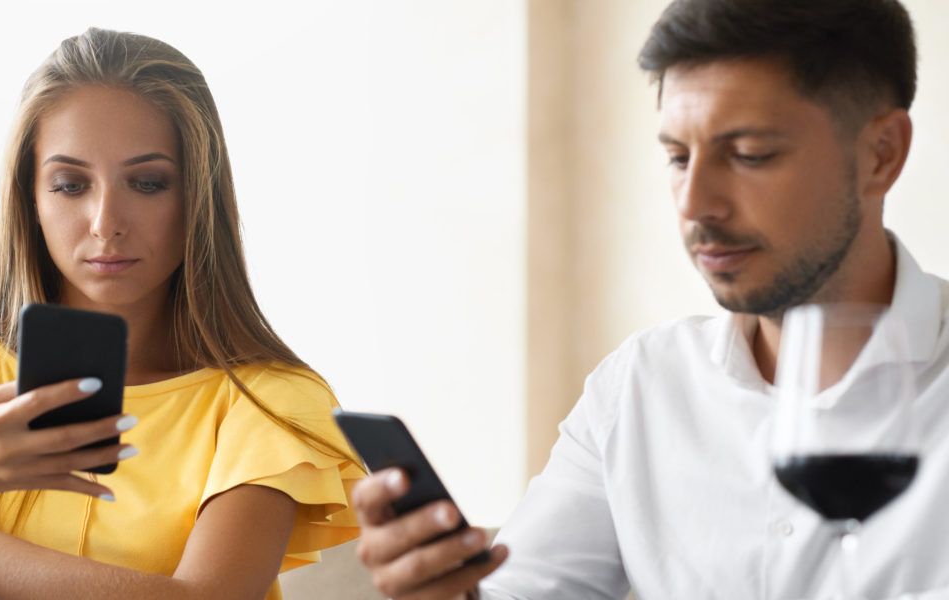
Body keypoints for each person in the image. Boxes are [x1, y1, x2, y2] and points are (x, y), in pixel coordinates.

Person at [350, 1, 949, 598]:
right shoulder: (639, 388)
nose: (694, 203)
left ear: (881, 154)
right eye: (678, 157)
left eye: (749, 155)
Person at [0, 27, 363, 600]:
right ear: (30, 198)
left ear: (199, 195)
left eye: (148, 183)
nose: (105, 222)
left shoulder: (268, 401)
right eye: (70, 185)